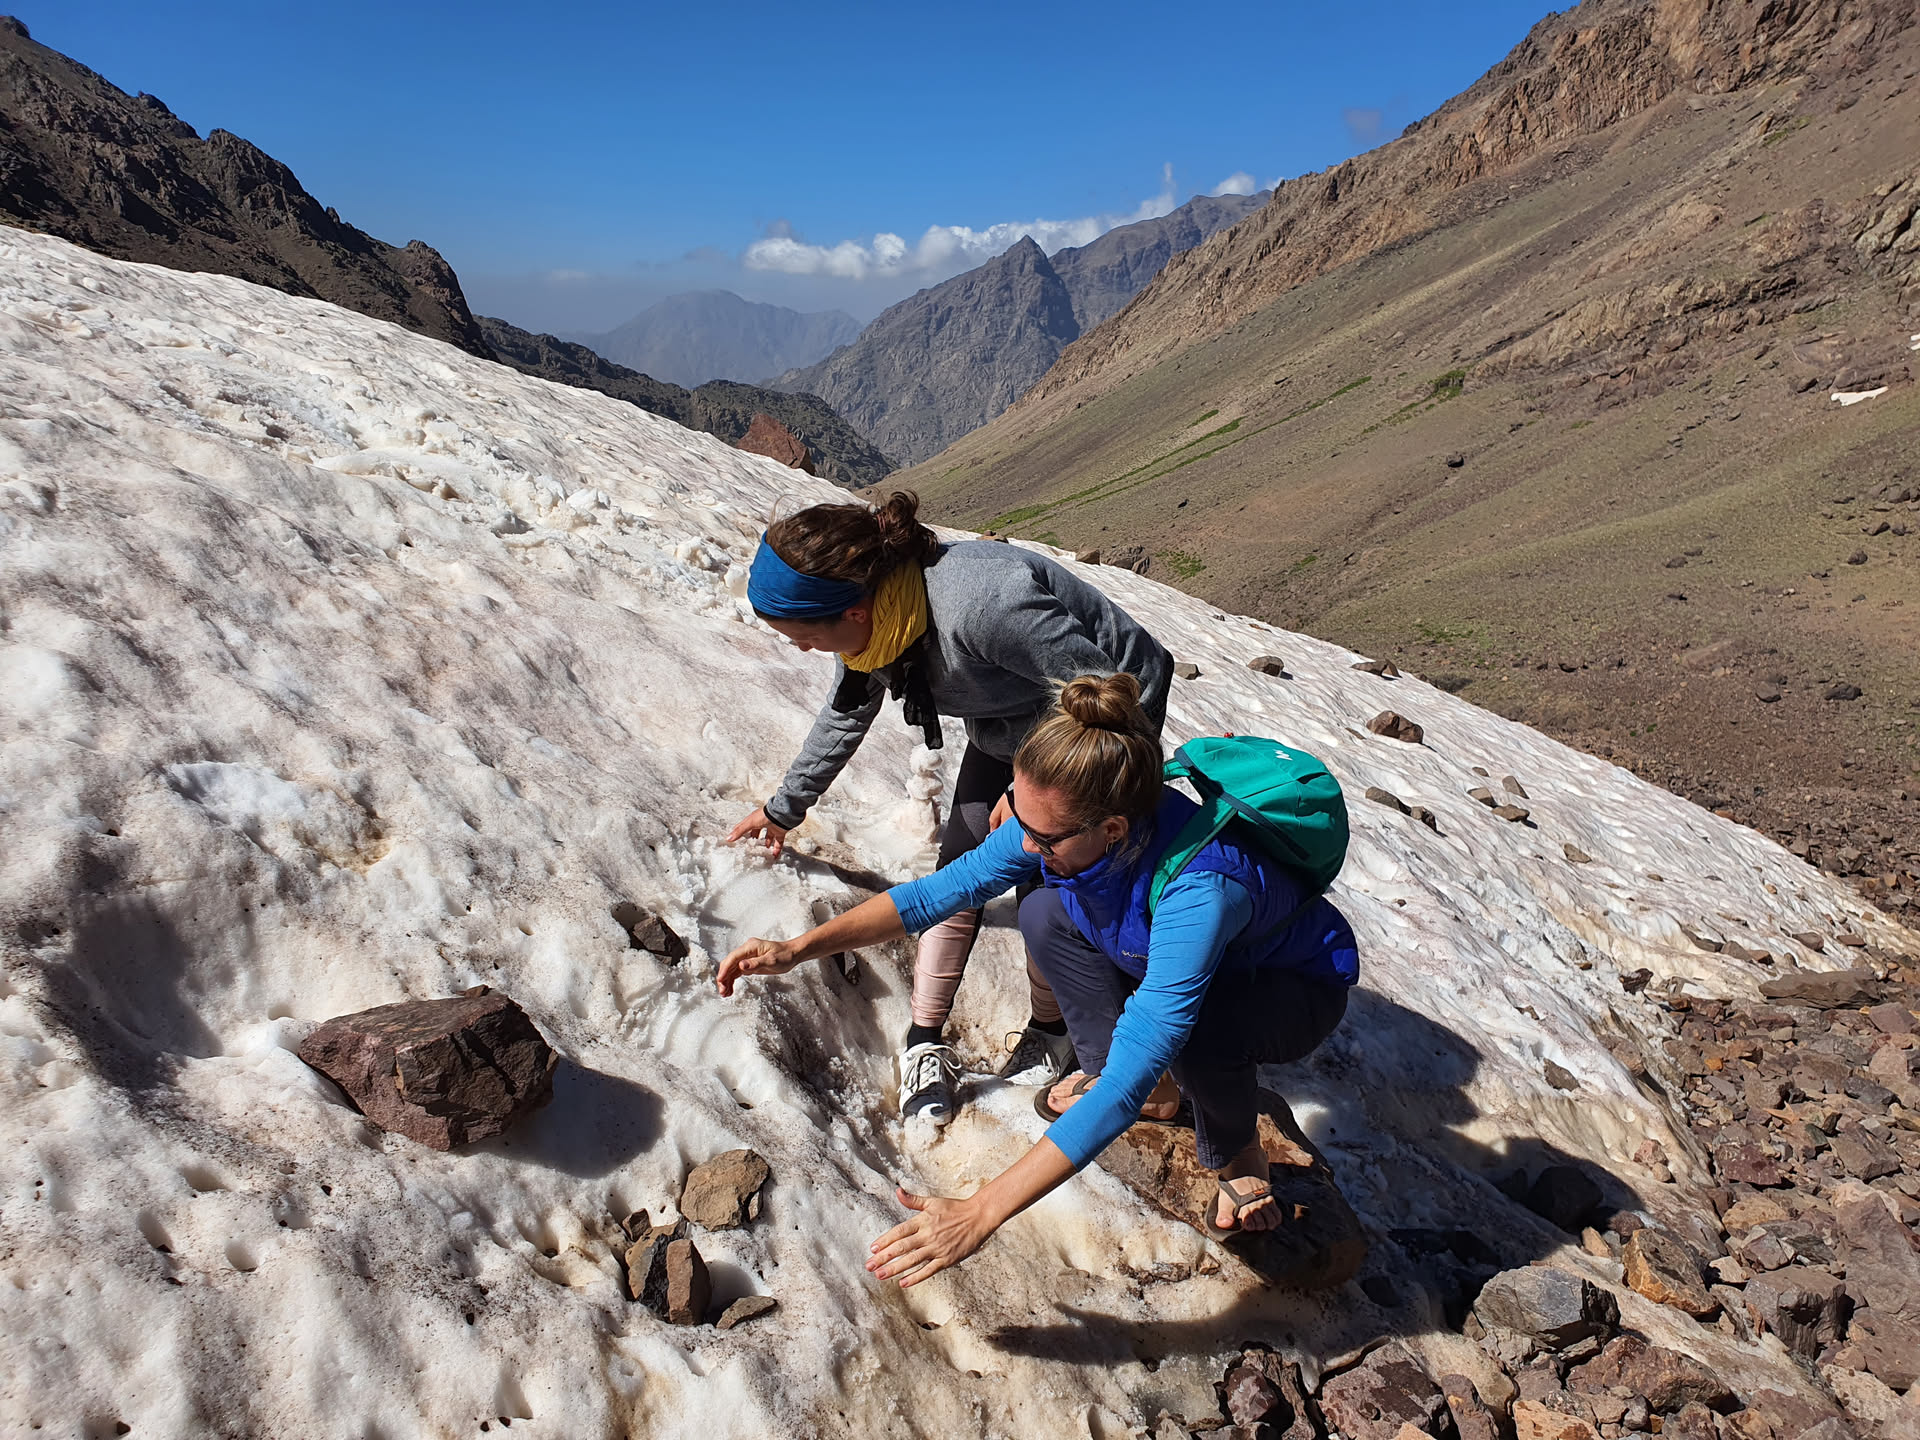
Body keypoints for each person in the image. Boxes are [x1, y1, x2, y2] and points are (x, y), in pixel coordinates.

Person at [718, 674, 1358, 1284]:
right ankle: (1152, 1088)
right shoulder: (1063, 819)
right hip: (1170, 945)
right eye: (1020, 818)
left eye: (1043, 837)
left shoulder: (1201, 891)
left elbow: (1129, 1079)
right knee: (1046, 911)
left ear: (1112, 829)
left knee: (1201, 1034)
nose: (1024, 844)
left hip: (1288, 988)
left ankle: (1239, 1152)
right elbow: (935, 895)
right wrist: (797, 948)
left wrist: (981, 1211)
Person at [726, 492, 1172, 1125]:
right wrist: (782, 810)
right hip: (1013, 723)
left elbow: (1103, 692)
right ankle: (924, 1039)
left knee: (1049, 873)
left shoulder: (984, 607)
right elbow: (846, 712)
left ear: (853, 612)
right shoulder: (878, 626)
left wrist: (1028, 794)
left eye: (805, 637)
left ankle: (1056, 1031)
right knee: (962, 863)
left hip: (1106, 717)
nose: (803, 650)